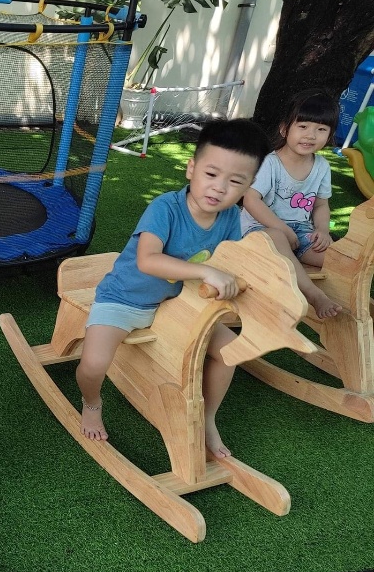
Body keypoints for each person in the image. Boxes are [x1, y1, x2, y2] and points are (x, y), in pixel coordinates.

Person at [76, 118, 271, 457]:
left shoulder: (229, 219)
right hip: (124, 299)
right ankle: (91, 403)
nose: (219, 188)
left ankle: (207, 418)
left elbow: (231, 262)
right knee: (93, 364)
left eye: (235, 181)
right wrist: (206, 271)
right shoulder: (165, 207)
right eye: (211, 174)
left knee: (231, 351)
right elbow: (147, 260)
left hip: (176, 303)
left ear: (248, 186)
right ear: (191, 168)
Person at [241, 90, 342, 319]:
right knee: (277, 238)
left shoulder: (322, 166)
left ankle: (348, 301)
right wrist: (282, 229)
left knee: (337, 259)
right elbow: (251, 200)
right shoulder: (270, 163)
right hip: (261, 230)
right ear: (284, 129)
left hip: (301, 233)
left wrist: (322, 230)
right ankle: (314, 295)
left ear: (330, 135)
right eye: (303, 126)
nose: (310, 135)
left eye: (321, 129)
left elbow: (321, 205)